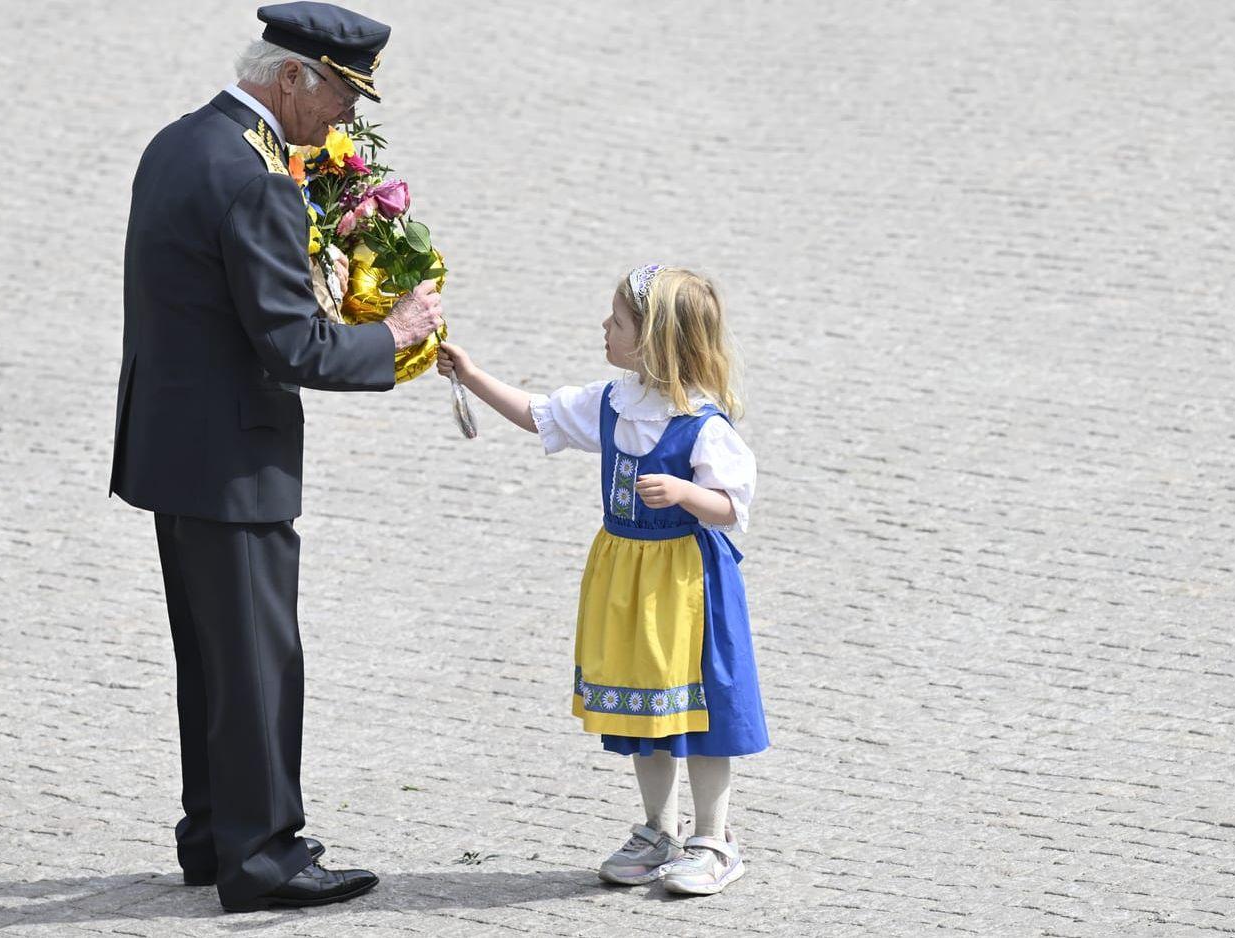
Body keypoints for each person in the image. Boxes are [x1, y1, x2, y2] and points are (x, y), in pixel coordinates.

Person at [109, 2, 444, 913]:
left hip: (171, 449)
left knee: (211, 658)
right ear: (290, 75)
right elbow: (294, 348)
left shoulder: (179, 141)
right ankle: (261, 858)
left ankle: (215, 834)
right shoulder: (260, 180)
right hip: (232, 461)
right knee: (257, 661)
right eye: (340, 91)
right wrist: (394, 335)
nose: (344, 115)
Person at [436, 266, 769, 896]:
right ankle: (657, 830)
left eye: (617, 322)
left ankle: (714, 840)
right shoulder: (615, 402)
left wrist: (687, 493)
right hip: (626, 576)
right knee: (646, 707)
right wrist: (473, 376)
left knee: (700, 711)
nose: (604, 329)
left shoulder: (704, 423)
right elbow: (540, 415)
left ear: (655, 341)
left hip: (686, 585)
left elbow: (733, 509)